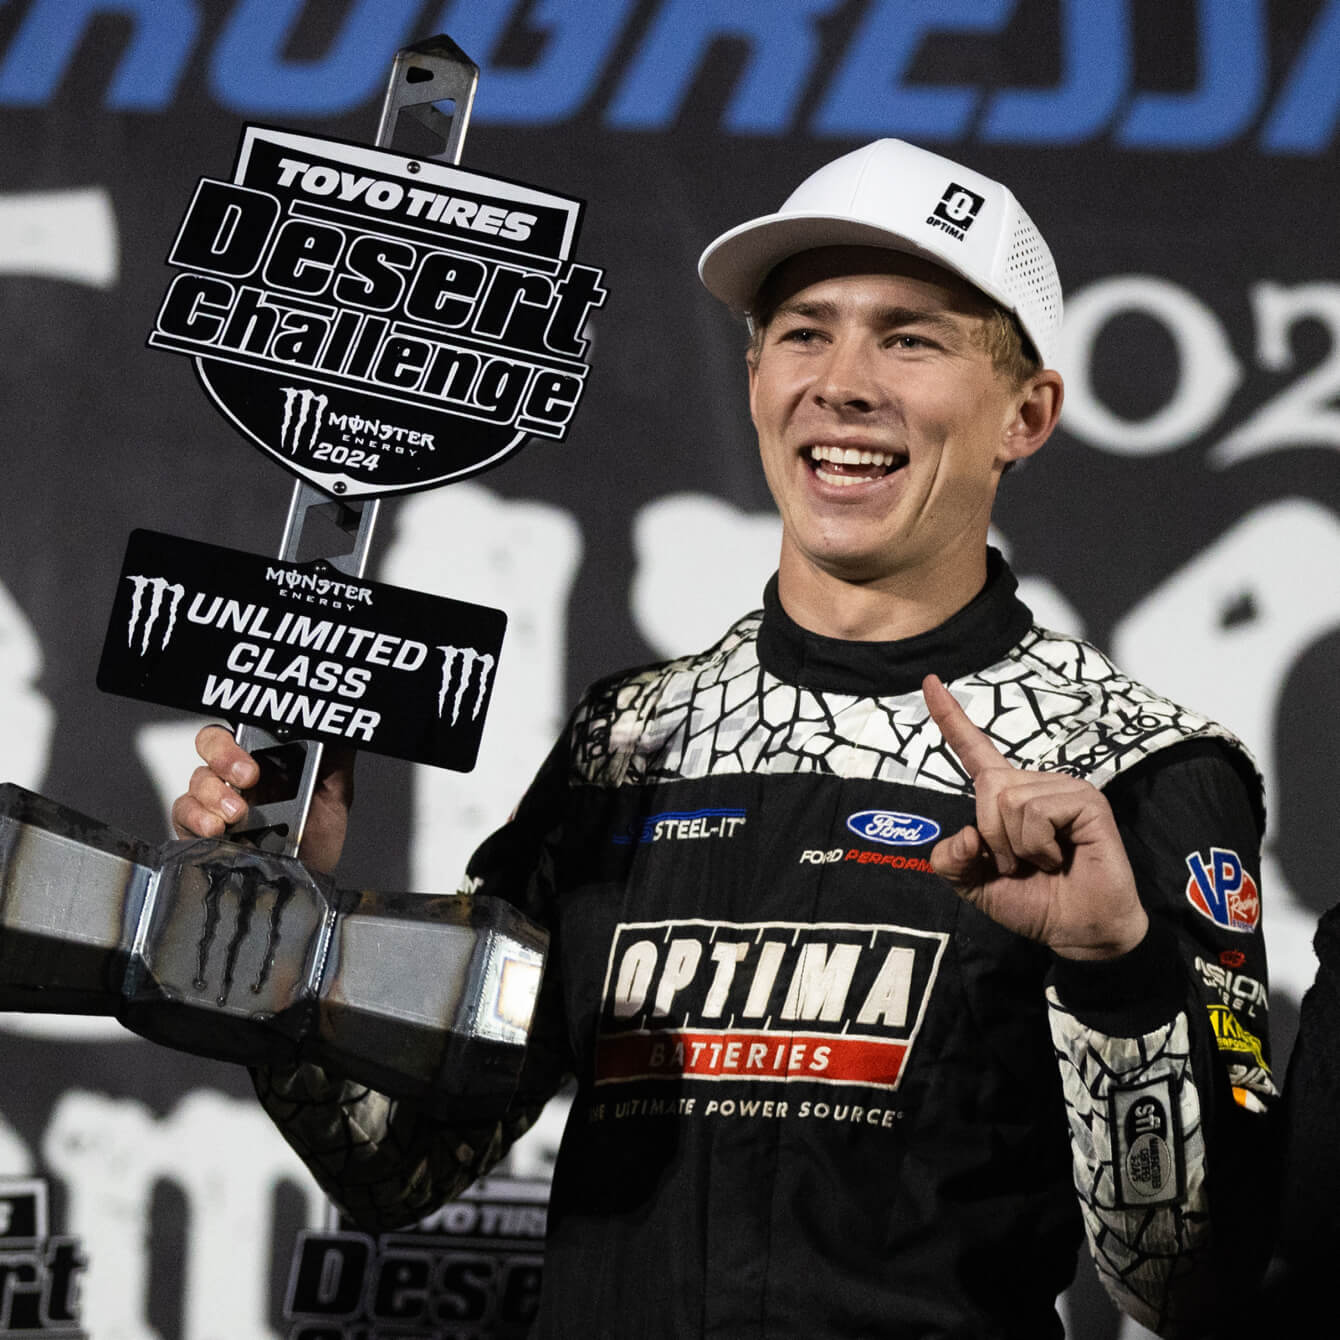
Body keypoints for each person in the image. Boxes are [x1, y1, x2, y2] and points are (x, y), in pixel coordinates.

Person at [173, 139, 1274, 1338]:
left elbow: (1188, 1284)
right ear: (753, 376)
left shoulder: (1133, 765)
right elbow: (401, 1164)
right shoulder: (623, 741)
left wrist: (1113, 973)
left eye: (910, 338)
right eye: (803, 331)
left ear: (1027, 412)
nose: (842, 382)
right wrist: (291, 923)